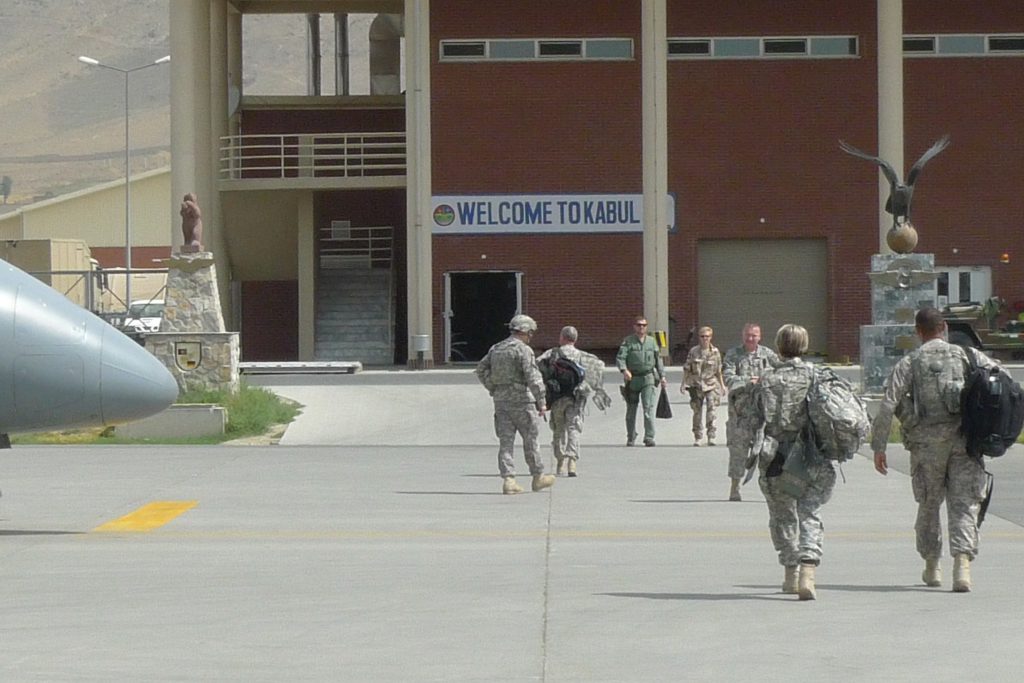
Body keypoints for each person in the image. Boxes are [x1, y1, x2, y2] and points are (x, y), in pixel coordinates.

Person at [870, 307, 998, 592]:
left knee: (929, 505)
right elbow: (1001, 384)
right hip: (965, 443)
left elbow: (888, 404)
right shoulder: (969, 356)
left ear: (918, 332)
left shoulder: (910, 362)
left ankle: (932, 565)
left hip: (926, 448)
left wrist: (879, 447)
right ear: (944, 329)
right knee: (964, 503)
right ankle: (962, 564)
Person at [753, 324, 835, 601]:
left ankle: (790, 573)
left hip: (775, 454)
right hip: (810, 454)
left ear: (778, 346)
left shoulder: (766, 378)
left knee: (782, 515)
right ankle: (808, 572)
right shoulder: (816, 375)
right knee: (809, 512)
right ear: (805, 345)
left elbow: (753, 419)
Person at [475, 314, 556, 495]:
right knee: (530, 440)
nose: (531, 337)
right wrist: (542, 401)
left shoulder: (496, 348)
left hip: (501, 402)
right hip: (523, 401)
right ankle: (538, 477)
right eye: (531, 333)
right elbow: (533, 377)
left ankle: (508, 479)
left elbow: (481, 369)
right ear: (526, 331)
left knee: (506, 442)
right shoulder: (523, 350)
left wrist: (493, 388)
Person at [538, 326, 610, 477]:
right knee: (574, 428)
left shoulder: (552, 353)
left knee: (558, 430)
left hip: (557, 398)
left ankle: (560, 462)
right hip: (576, 398)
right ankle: (572, 461)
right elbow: (597, 372)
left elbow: (537, 367)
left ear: (562, 338)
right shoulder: (584, 356)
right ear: (575, 339)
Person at [723, 323, 778, 501]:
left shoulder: (768, 355)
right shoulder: (733, 355)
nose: (750, 338)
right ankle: (735, 487)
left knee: (766, 453)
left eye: (754, 335)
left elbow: (779, 376)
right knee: (738, 452)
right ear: (742, 335)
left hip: (763, 415)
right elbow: (728, 378)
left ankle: (769, 489)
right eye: (748, 335)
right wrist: (749, 381)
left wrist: (764, 381)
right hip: (740, 415)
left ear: (760, 337)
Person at [616, 315, 667, 447]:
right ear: (634, 326)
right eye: (639, 325)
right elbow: (620, 358)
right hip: (633, 379)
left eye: (644, 325)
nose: (641, 327)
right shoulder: (628, 341)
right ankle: (631, 436)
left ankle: (649, 437)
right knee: (631, 410)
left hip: (648, 378)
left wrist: (662, 376)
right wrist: (624, 370)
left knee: (648, 409)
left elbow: (658, 360)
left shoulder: (652, 342)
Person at [682, 326, 725, 447]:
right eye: (702, 336)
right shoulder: (693, 351)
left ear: (711, 337)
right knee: (697, 412)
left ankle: (711, 436)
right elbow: (687, 368)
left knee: (712, 410)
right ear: (699, 337)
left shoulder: (715, 352)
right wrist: (683, 383)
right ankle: (698, 436)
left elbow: (718, 371)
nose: (704, 339)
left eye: (707, 336)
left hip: (711, 384)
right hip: (696, 385)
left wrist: (722, 386)